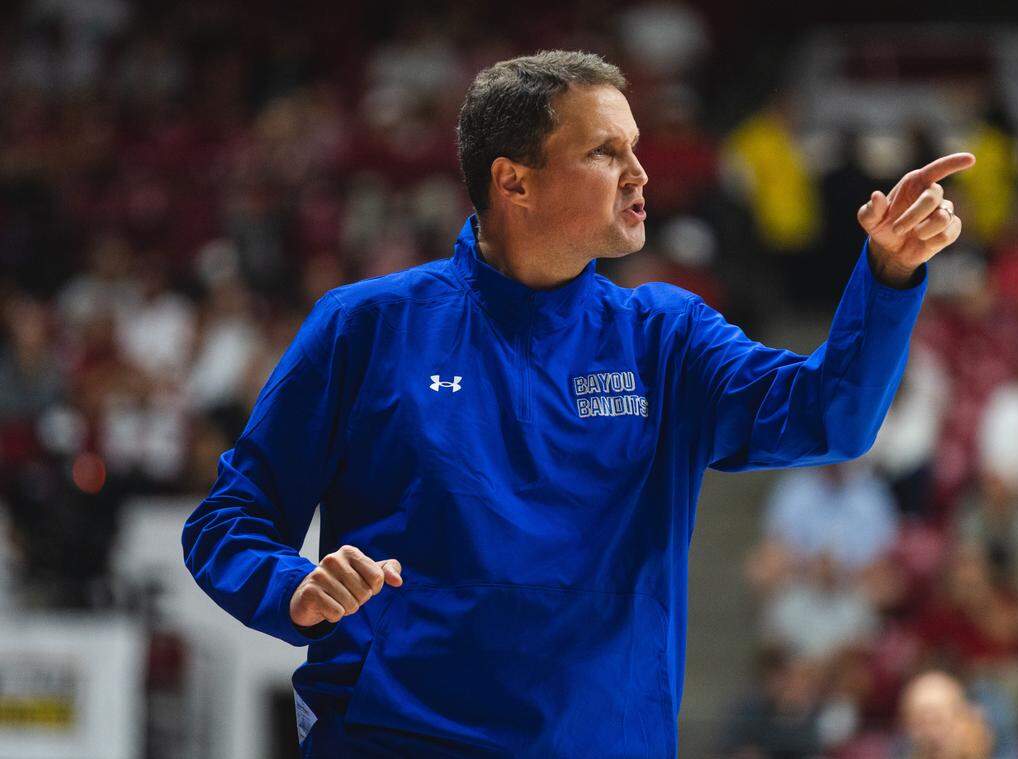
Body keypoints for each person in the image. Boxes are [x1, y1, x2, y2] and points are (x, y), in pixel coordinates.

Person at [181, 49, 973, 757]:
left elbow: (829, 417)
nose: (641, 172)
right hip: (396, 737)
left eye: (635, 147)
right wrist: (291, 586)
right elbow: (229, 518)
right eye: (605, 151)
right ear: (513, 180)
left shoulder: (667, 336)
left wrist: (889, 274)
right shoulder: (367, 326)